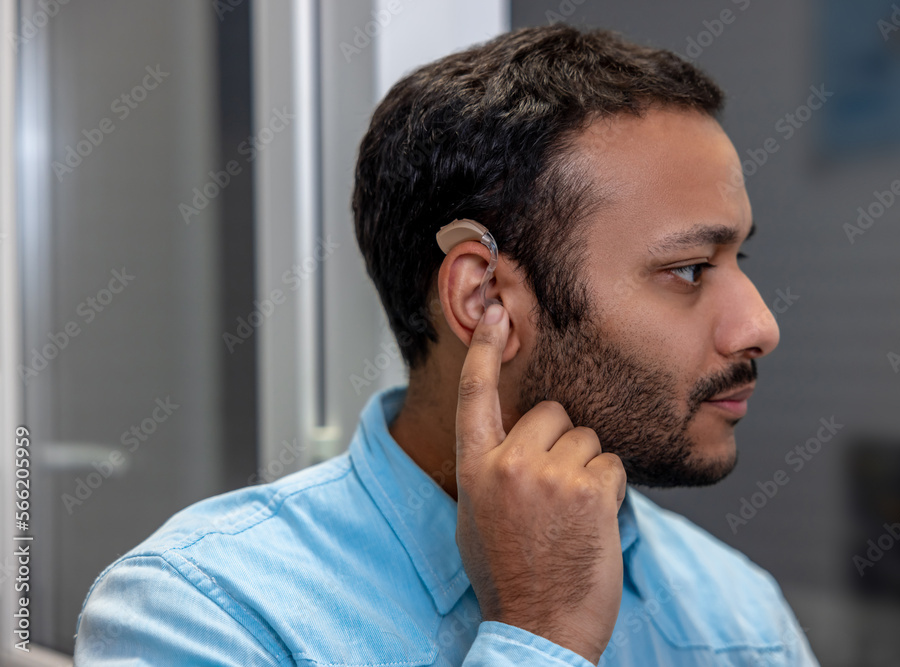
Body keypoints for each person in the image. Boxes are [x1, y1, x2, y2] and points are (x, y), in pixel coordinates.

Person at [75, 24, 818, 666]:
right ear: (483, 298)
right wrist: (539, 633)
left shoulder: (736, 619)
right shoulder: (206, 611)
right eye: (688, 269)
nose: (760, 326)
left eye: (737, 260)